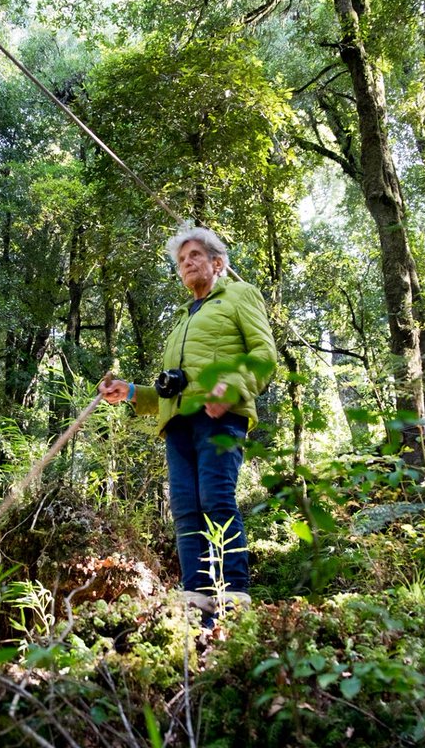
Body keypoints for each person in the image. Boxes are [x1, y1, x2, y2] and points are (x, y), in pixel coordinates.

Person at [99, 226, 276, 618]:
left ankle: (234, 591)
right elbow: (169, 392)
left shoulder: (239, 295)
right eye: (181, 261)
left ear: (218, 263)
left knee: (215, 498)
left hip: (221, 416)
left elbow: (264, 356)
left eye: (195, 255)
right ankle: (195, 594)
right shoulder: (181, 320)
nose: (187, 263)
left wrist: (231, 386)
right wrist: (129, 392)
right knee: (183, 506)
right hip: (178, 425)